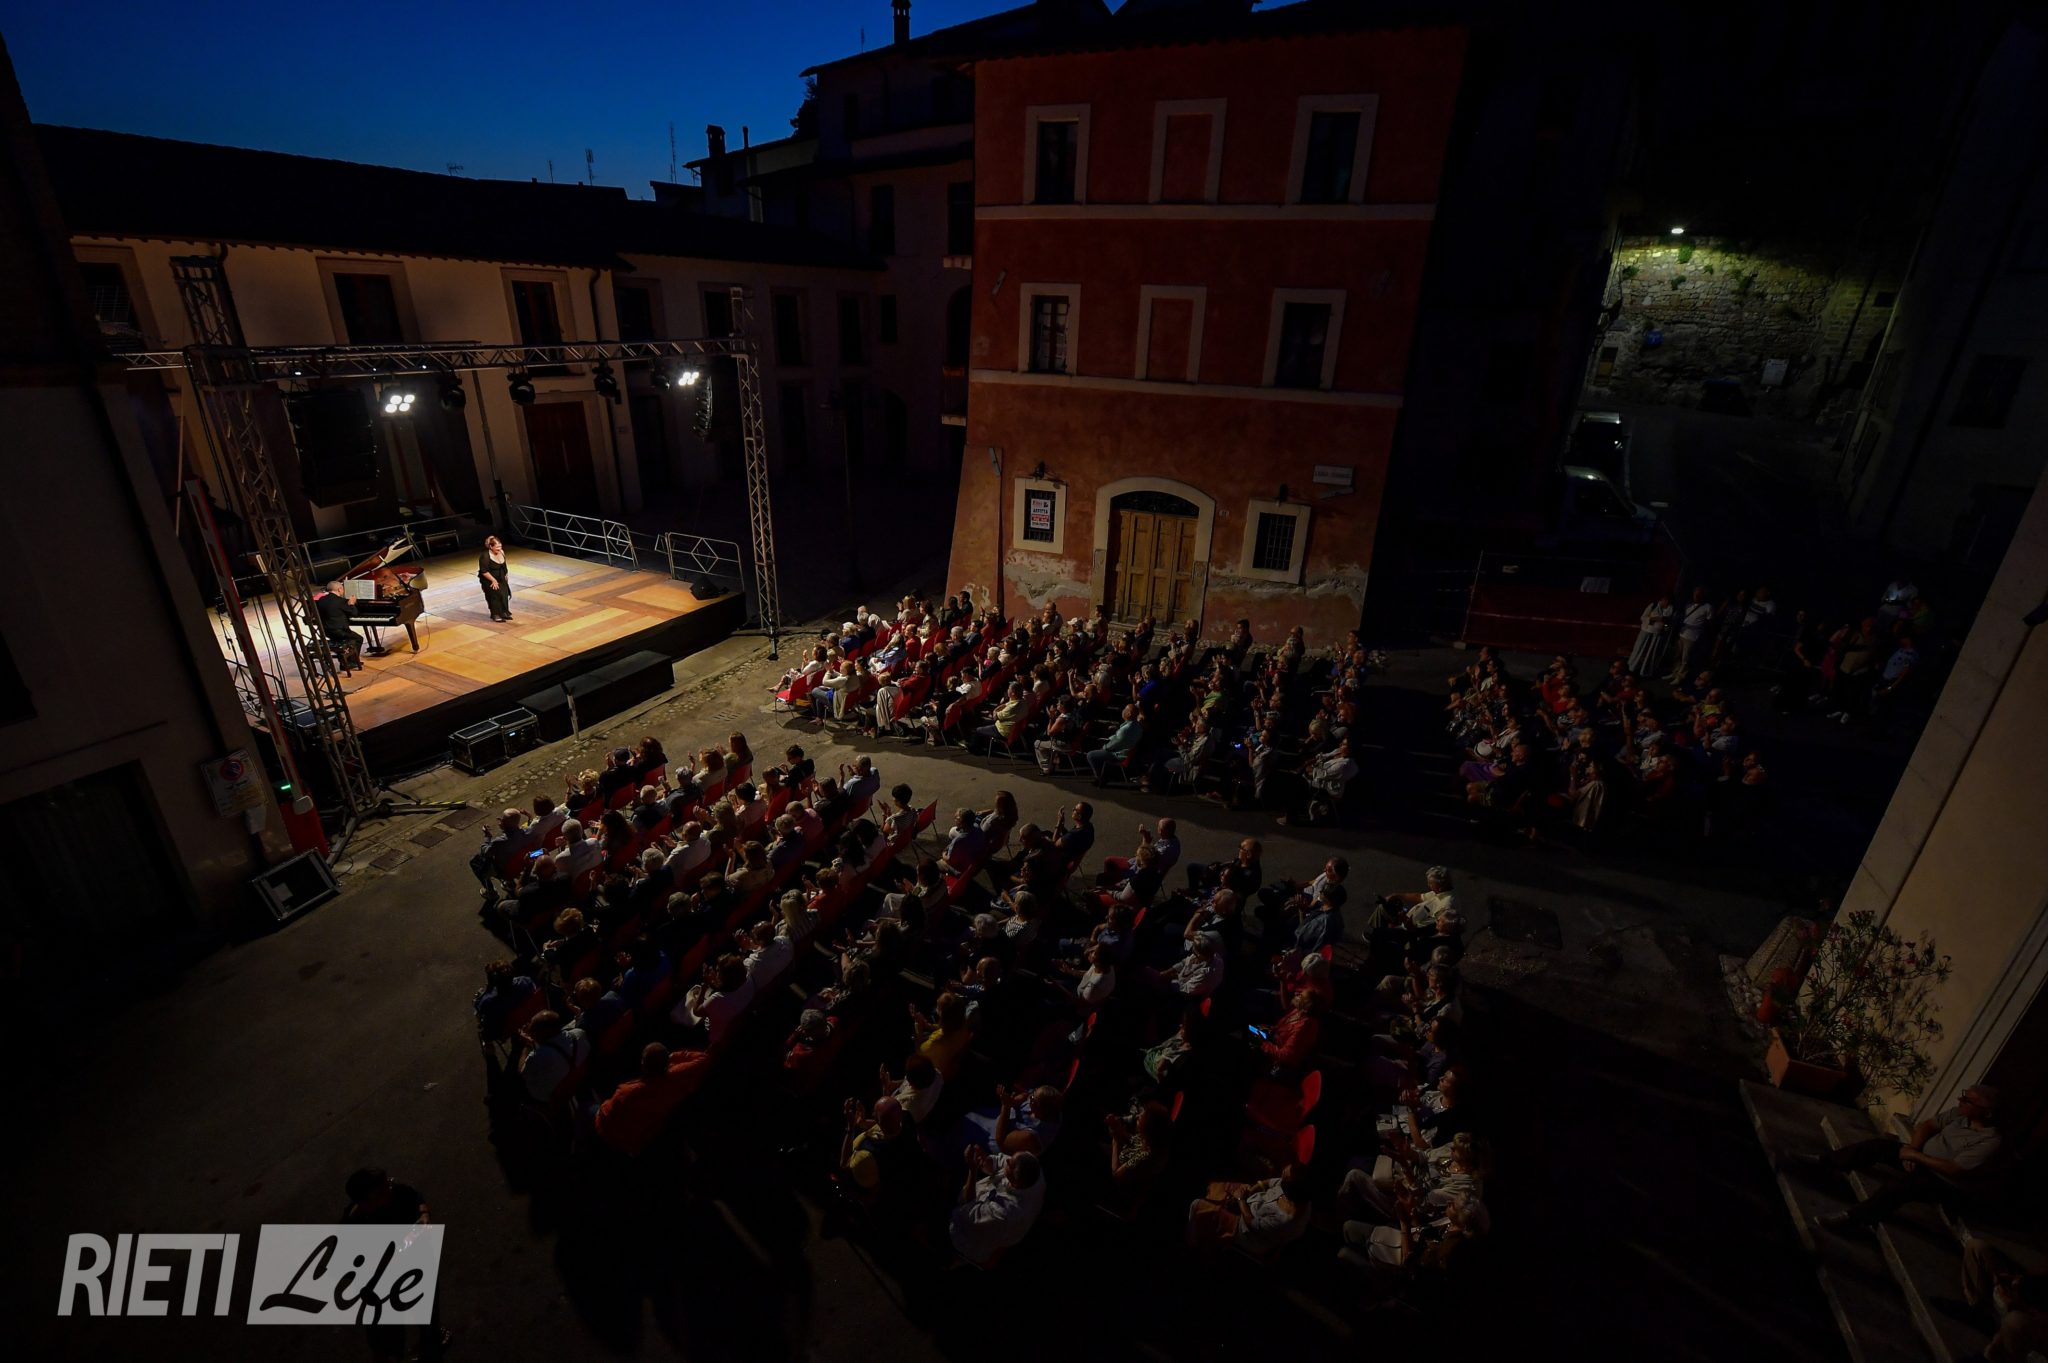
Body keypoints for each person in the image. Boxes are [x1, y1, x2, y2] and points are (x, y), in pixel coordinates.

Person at [1808, 1085, 2001, 1230]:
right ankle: (1823, 1162)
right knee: (1878, 1146)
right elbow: (1928, 1125)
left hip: (1944, 1181)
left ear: (1987, 1112)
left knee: (1900, 1186)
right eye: (1964, 1095)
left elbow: (1954, 1169)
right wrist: (1912, 1148)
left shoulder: (1990, 1141)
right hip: (1920, 1157)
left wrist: (1915, 1156)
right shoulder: (1959, 1114)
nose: (1960, 1100)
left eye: (1968, 1100)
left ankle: (1853, 1219)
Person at [342, 1168, 449, 1360]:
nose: (391, 1189)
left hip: (417, 1269)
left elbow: (416, 1197)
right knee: (389, 1341)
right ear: (366, 1202)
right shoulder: (352, 1230)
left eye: (389, 1183)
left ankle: (432, 1344)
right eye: (383, 1190)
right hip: (384, 1289)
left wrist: (424, 1214)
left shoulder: (396, 1193)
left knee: (427, 1314)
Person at [593, 1042, 714, 1156]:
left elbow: (606, 1116)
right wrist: (672, 1056)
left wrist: (600, 1113)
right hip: (645, 1140)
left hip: (620, 1141)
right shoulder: (677, 1076)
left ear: (643, 1065)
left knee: (589, 1108)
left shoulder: (627, 1092)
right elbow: (704, 1058)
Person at [949, 1148, 1046, 1267]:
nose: (1007, 1160)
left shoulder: (1005, 1213)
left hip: (966, 1234)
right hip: (981, 1208)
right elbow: (1000, 1162)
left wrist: (972, 1170)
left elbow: (969, 1209)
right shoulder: (1029, 1166)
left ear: (1015, 1184)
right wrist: (985, 1160)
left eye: (1010, 1165)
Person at [1185, 1165, 1312, 1253]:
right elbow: (1268, 1182)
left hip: (1246, 1231)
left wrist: (1241, 1199)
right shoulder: (1297, 1192)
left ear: (1289, 1189)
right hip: (1249, 1202)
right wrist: (1250, 1191)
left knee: (1197, 1205)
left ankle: (1192, 1243)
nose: (1282, 1173)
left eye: (1284, 1175)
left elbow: (1251, 1222)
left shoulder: (1284, 1220)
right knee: (1214, 1185)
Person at [1087, 704, 1145, 785]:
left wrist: (1104, 747)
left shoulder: (1126, 729)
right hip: (1126, 752)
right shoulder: (1137, 726)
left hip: (1119, 754)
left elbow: (1113, 744)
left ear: (1129, 713)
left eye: (1125, 709)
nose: (1123, 711)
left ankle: (1101, 778)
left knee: (1091, 755)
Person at [313, 580, 363, 669]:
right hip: (339, 632)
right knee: (358, 639)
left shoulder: (321, 600)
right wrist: (352, 604)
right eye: (342, 589)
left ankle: (344, 661)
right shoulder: (341, 601)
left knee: (349, 637)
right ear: (339, 589)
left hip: (326, 631)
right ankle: (350, 662)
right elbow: (354, 613)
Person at [1629, 594, 1674, 675]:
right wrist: (1653, 619)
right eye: (1665, 600)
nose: (1666, 602)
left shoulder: (1670, 609)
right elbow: (1643, 617)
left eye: (1668, 601)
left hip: (1657, 634)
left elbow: (1668, 624)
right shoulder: (1653, 605)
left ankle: (1645, 670)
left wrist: (1665, 625)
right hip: (1646, 631)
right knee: (1640, 649)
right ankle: (1632, 667)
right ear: (1662, 600)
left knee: (1651, 652)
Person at [478, 534, 513, 621]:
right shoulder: (485, 556)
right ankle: (496, 614)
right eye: (497, 547)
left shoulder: (502, 552)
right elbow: (484, 571)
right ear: (491, 547)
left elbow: (504, 565)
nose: (499, 549)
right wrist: (493, 580)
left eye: (500, 546)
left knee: (504, 594)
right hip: (489, 578)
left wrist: (506, 574)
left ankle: (504, 612)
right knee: (495, 595)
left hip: (501, 576)